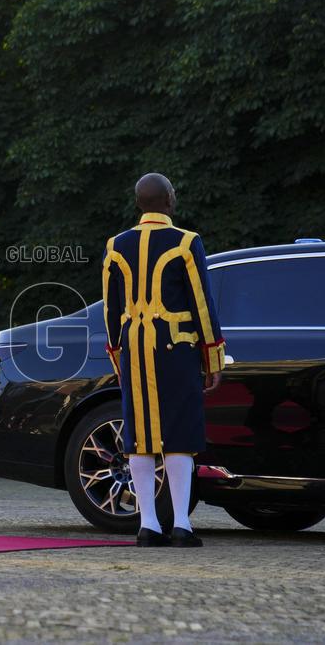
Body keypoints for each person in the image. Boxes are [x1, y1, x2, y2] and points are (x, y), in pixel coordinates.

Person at [101, 173, 225, 547]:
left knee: (140, 437)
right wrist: (213, 356)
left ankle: (149, 525)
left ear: (140, 203)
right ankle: (182, 525)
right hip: (177, 348)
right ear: (169, 200)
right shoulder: (187, 242)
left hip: (135, 349)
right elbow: (202, 305)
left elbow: (111, 309)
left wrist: (117, 356)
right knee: (179, 435)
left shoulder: (115, 245)